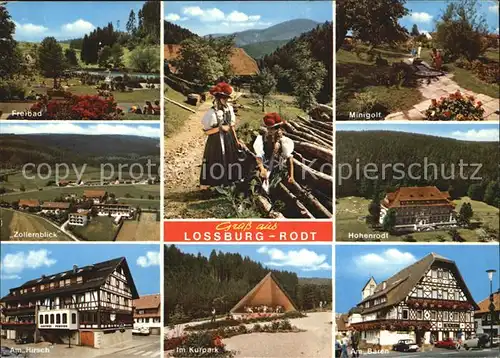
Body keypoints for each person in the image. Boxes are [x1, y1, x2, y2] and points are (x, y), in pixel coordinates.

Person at [200, 82, 246, 188]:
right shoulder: (212, 113)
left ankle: (229, 183)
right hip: (216, 141)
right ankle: (216, 185)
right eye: (225, 98)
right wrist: (220, 128)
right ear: (219, 99)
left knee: (230, 159)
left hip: (228, 138)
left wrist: (236, 140)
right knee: (217, 160)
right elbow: (206, 132)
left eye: (227, 98)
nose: (227, 101)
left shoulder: (229, 109)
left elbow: (232, 126)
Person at [253, 113, 295, 194]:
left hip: (278, 166)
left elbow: (289, 158)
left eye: (272, 129)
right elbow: (259, 155)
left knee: (274, 185)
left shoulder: (283, 141)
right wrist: (262, 169)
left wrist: (291, 176)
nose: (270, 131)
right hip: (265, 163)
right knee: (255, 178)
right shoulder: (263, 138)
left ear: (277, 129)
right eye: (268, 129)